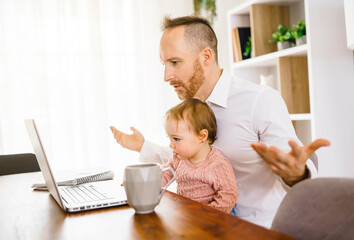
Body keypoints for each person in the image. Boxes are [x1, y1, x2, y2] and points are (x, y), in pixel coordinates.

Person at [110, 16, 331, 228]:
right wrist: (143, 147)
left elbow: (297, 168)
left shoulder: (260, 101)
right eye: (164, 63)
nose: (166, 76)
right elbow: (192, 160)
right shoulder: (190, 107)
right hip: (206, 224)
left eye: (175, 62)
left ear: (206, 57)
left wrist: (296, 173)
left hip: (259, 227)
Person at [161, 98, 238, 213]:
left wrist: (207, 215)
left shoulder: (217, 164)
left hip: (210, 218)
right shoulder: (178, 158)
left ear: (202, 136)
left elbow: (228, 196)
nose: (171, 145)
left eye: (176, 139)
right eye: (170, 138)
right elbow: (165, 174)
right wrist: (144, 183)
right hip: (187, 214)